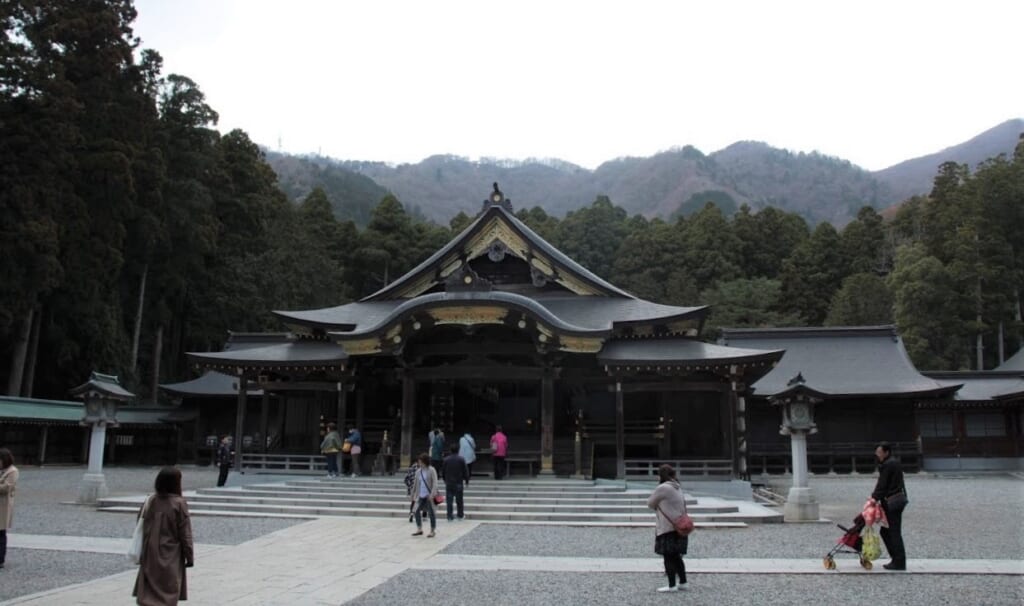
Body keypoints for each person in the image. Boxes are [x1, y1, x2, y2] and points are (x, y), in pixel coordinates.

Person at [133, 467, 194, 606]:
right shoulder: (179, 503)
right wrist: (189, 555)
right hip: (171, 551)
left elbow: (140, 524)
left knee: (149, 586)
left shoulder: (150, 501)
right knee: (168, 587)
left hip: (149, 549)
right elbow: (185, 533)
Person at [647, 464, 689, 592]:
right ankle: (683, 582)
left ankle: (672, 585)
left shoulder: (663, 488)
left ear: (661, 475)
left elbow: (650, 503)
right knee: (676, 556)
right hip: (680, 526)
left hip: (668, 527)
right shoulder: (677, 486)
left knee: (668, 556)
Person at [871, 441, 908, 570]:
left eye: (880, 453)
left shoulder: (888, 465)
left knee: (893, 531)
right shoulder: (893, 463)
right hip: (896, 500)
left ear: (886, 452)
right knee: (887, 531)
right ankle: (896, 559)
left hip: (892, 502)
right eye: (877, 453)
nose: (878, 455)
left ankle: (899, 561)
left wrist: (873, 498)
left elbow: (882, 485)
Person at [410, 453, 438, 538]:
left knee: (431, 512)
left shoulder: (431, 470)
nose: (419, 463)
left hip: (428, 495)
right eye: (419, 462)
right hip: (420, 494)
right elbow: (415, 483)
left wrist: (432, 494)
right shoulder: (418, 471)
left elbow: (435, 483)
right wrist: (413, 493)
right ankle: (419, 528)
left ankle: (432, 530)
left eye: (421, 462)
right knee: (415, 510)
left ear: (425, 462)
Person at [0, 448, 19, 570]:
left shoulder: (12, 471)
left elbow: (7, 488)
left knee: (1, 533)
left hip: (3, 505)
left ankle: (0, 559)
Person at [441, 444, 470, 521]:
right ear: (458, 450)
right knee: (459, 500)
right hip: (458, 482)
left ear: (450, 450)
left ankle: (449, 516)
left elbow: (443, 472)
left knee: (449, 500)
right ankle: (460, 515)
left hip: (449, 482)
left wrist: (445, 479)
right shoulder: (461, 459)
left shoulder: (446, 460)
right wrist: (466, 480)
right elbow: (465, 471)